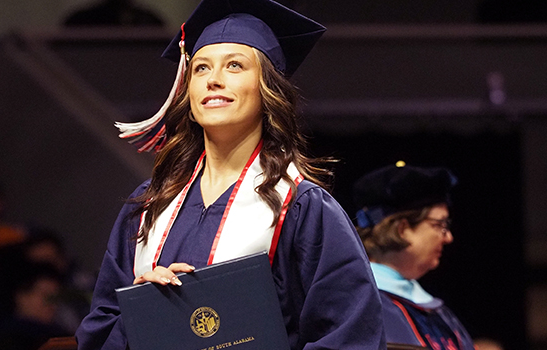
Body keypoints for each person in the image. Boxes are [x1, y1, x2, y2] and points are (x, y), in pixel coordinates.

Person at [75, 0, 384, 349]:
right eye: (201, 68)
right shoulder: (150, 206)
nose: (214, 80)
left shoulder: (303, 208)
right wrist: (144, 312)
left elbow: (351, 334)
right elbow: (99, 329)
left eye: (234, 66)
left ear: (268, 89)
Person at [353, 161, 474, 349]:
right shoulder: (359, 306)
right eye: (439, 225)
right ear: (403, 229)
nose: (448, 237)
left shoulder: (438, 312)